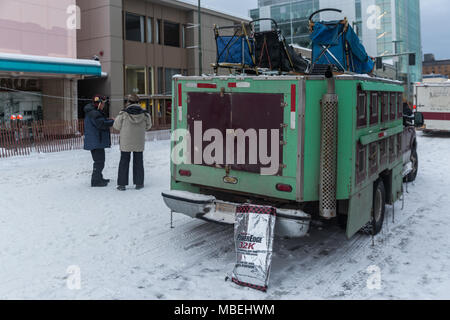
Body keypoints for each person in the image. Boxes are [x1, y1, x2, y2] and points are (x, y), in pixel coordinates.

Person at [113, 94, 152, 191]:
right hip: (138, 141)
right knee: (138, 162)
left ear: (129, 102)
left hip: (126, 142)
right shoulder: (145, 114)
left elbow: (116, 126)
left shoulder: (123, 113)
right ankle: (139, 183)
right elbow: (149, 126)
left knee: (124, 162)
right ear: (138, 102)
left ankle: (122, 185)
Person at [84, 95, 114, 187]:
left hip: (96, 141)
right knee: (99, 161)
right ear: (99, 104)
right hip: (96, 141)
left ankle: (99, 178)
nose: (103, 106)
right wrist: (112, 122)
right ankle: (95, 181)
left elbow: (100, 121)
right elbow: (101, 124)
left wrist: (108, 120)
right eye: (103, 104)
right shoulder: (94, 113)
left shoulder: (93, 112)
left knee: (99, 160)